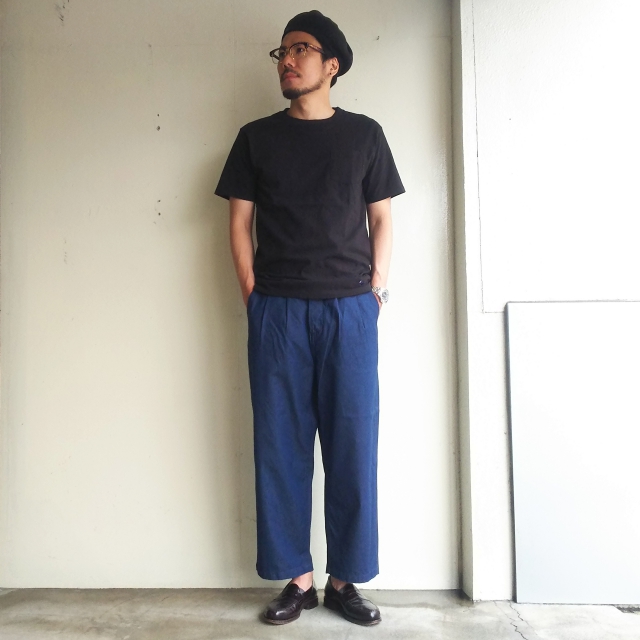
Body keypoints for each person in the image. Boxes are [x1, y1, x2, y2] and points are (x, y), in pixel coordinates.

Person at [215, 9, 404, 627]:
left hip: (350, 310)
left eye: (301, 49)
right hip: (277, 312)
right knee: (280, 444)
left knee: (353, 444)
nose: (288, 61)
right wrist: (253, 294)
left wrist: (376, 289)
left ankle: (345, 579)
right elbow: (239, 222)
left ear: (332, 64)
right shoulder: (256, 138)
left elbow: (382, 217)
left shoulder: (365, 135)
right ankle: (296, 578)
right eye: (282, 52)